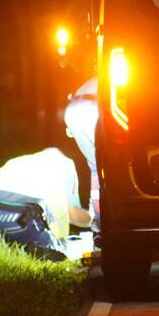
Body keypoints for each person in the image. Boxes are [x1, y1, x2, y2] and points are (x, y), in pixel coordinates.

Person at [0, 148, 91, 260]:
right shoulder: (66, 165)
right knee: (57, 252)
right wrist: (96, 220)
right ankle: (37, 247)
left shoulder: (23, 161)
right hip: (17, 218)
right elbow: (73, 214)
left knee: (10, 234)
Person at [64, 77, 100, 230]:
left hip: (72, 110)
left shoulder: (92, 79)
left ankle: (97, 218)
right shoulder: (120, 69)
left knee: (95, 167)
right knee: (104, 166)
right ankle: (100, 218)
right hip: (91, 109)